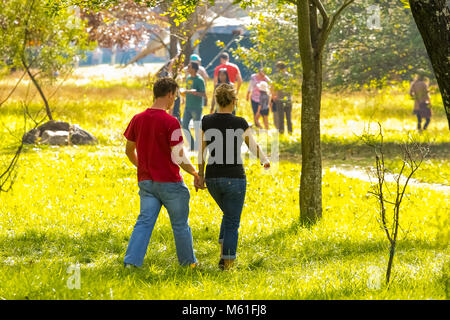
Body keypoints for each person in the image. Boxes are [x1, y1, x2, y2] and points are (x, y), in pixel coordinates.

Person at [123, 77, 203, 268]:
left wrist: (142, 167)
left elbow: (128, 150)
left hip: (146, 182)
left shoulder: (138, 119)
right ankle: (188, 264)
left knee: (144, 222)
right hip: (170, 183)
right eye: (175, 97)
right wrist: (194, 172)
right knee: (180, 225)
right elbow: (179, 155)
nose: (174, 101)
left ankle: (131, 263)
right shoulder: (171, 122)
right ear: (169, 95)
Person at [198, 83, 271, 271]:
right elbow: (253, 146)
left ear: (217, 101)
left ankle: (223, 255)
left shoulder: (206, 120)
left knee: (228, 214)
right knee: (232, 222)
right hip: (234, 178)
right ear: (233, 101)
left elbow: (201, 152)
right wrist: (264, 161)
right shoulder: (240, 122)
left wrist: (200, 175)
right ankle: (228, 266)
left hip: (212, 178)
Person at [181, 61, 207, 151]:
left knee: (196, 127)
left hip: (196, 107)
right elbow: (188, 89)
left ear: (194, 69)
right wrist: (185, 93)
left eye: (189, 66)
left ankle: (198, 146)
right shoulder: (188, 78)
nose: (187, 68)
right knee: (184, 125)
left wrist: (196, 93)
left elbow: (204, 94)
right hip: (188, 106)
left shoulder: (199, 80)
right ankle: (192, 145)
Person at [272, 61, 293, 134]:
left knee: (281, 117)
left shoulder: (277, 77)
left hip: (280, 99)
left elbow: (274, 87)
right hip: (289, 99)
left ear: (278, 68)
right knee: (289, 117)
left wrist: (274, 95)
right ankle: (290, 132)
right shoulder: (290, 76)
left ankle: (281, 132)